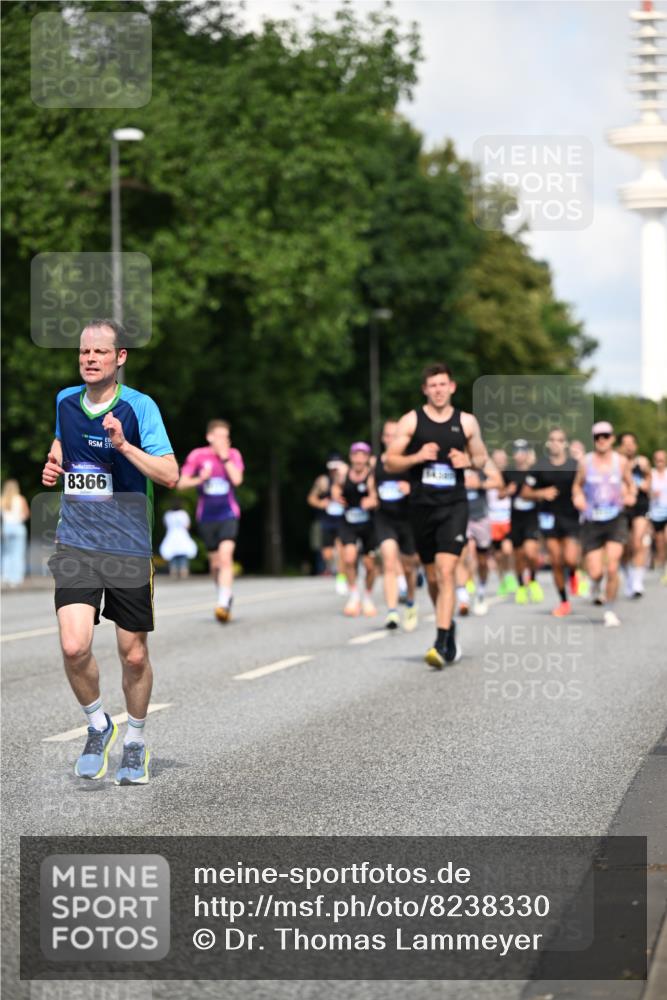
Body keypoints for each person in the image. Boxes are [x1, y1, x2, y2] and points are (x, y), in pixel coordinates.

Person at [42, 320, 178, 785]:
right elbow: (66, 440)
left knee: (133, 655)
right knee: (73, 644)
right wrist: (54, 460)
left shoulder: (141, 408)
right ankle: (99, 724)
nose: (90, 359)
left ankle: (135, 740)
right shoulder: (64, 401)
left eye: (100, 352)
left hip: (129, 546)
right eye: (84, 352)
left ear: (120, 357)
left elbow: (169, 474)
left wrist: (123, 445)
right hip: (77, 541)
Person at [385, 362, 498, 668]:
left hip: (454, 506)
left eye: (442, 384)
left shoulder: (466, 422)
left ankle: (441, 639)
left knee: (448, 571)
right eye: (432, 385)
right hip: (422, 507)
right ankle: (447, 626)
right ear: (425, 389)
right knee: (433, 577)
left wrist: (469, 461)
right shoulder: (411, 421)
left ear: (452, 387)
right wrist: (417, 457)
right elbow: (389, 461)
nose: (438, 390)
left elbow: (481, 456)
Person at [177, 420, 244, 622]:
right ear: (210, 437)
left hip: (228, 514)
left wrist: (225, 459)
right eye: (219, 436)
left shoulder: (233, 455)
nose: (223, 440)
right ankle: (224, 593)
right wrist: (201, 479)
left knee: (226, 557)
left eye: (226, 436)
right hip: (206, 516)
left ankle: (223, 602)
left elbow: (238, 480)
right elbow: (181, 484)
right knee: (215, 565)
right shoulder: (198, 455)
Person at [572, 421, 634, 627]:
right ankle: (595, 584)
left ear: (612, 438)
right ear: (593, 440)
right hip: (592, 520)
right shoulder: (585, 462)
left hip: (615, 519)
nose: (601, 440)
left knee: (613, 567)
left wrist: (631, 495)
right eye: (597, 437)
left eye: (605, 436)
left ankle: (609, 611)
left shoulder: (622, 461)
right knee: (596, 571)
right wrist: (578, 498)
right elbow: (577, 487)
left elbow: (630, 484)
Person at [521, 428, 581, 616]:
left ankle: (572, 572)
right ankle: (564, 601)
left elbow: (585, 486)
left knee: (570, 559)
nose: (556, 443)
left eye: (560, 440)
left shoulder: (575, 465)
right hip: (548, 518)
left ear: (565, 443)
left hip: (570, 517)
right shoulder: (539, 466)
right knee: (555, 561)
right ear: (548, 443)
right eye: (552, 440)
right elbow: (524, 493)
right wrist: (541, 493)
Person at [369, 420, 419, 631]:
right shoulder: (376, 462)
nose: (390, 439)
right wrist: (370, 499)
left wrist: (411, 487)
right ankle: (391, 612)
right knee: (389, 561)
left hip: (407, 518)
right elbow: (372, 488)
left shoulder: (410, 461)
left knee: (409, 567)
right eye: (387, 435)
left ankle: (410, 601)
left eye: (394, 435)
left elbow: (423, 487)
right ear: (382, 438)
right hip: (385, 518)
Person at [332, 442, 378, 617]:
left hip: (368, 524)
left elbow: (375, 496)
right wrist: (336, 495)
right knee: (349, 558)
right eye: (356, 455)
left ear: (367, 458)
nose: (359, 459)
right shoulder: (343, 474)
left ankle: (367, 597)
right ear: (351, 457)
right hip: (349, 521)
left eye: (363, 455)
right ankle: (354, 596)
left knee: (370, 565)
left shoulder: (371, 476)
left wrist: (371, 501)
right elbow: (335, 487)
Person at [501, 440, 544, 606]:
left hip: (532, 518)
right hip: (515, 519)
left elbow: (545, 490)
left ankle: (532, 580)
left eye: (523, 451)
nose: (519, 454)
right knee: (518, 555)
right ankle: (520, 585)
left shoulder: (535, 472)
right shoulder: (508, 473)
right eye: (516, 450)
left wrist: (535, 494)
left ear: (528, 453)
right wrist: (507, 491)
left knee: (531, 553)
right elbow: (499, 494)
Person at [456, 467, 500, 617]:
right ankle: (463, 599)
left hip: (481, 517)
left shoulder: (480, 463)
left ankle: (481, 591)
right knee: (460, 556)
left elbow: (498, 481)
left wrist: (479, 484)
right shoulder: (453, 459)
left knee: (482, 561)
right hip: (461, 517)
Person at [307, 453, 348, 594]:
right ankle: (336, 569)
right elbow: (311, 498)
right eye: (332, 468)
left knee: (341, 551)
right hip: (327, 521)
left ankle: (341, 578)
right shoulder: (323, 481)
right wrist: (321, 503)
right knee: (327, 555)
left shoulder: (347, 480)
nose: (334, 471)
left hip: (343, 521)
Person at [617, 431, 652, 598]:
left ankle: (637, 581)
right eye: (626, 443)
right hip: (622, 507)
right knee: (623, 547)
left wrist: (647, 474)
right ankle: (628, 577)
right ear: (620, 446)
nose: (629, 446)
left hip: (640, 506)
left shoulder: (643, 462)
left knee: (637, 542)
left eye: (632, 443)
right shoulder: (615, 463)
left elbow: (648, 485)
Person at [486, 449, 517, 596]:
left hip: (508, 519)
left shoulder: (511, 476)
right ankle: (502, 580)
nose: (499, 461)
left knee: (508, 550)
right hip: (492, 520)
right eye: (496, 459)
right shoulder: (488, 477)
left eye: (502, 459)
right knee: (497, 555)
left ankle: (510, 574)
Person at [1, 479, 30, 587]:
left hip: (6, 528)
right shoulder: (20, 499)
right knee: (18, 553)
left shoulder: (2, 500)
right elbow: (26, 514)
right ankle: (16, 578)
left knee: (6, 553)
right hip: (18, 527)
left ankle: (5, 576)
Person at [159, 500, 197, 578]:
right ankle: (184, 573)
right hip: (182, 536)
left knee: (172, 556)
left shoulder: (168, 514)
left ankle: (173, 573)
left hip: (171, 536)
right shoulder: (183, 514)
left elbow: (166, 525)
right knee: (183, 556)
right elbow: (187, 526)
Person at [649, 449, 667, 583]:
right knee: (659, 542)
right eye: (657, 460)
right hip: (655, 513)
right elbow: (644, 492)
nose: (660, 462)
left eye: (662, 460)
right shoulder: (651, 474)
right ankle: (662, 564)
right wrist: (651, 493)